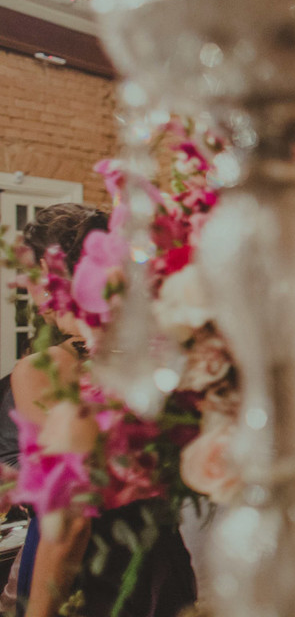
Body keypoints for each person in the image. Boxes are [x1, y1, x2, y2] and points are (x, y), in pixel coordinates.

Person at [13, 204, 197, 617]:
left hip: (86, 576)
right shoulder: (164, 354)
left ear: (48, 269)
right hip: (162, 565)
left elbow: (72, 520)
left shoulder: (43, 370)